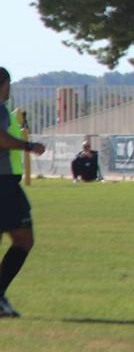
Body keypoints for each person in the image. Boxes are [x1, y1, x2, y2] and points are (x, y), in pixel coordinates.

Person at [0, 67, 46, 318]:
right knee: (23, 238)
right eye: (8, 83)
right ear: (3, 83)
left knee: (21, 238)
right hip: (3, 183)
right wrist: (28, 146)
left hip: (6, 183)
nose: (10, 88)